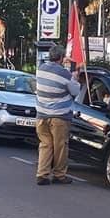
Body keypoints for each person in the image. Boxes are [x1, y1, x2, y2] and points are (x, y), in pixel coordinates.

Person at [35, 45, 81, 185]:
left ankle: (42, 174)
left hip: (41, 115)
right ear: (61, 58)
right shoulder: (64, 74)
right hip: (59, 116)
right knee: (60, 146)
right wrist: (75, 78)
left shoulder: (40, 69)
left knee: (45, 145)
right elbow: (75, 91)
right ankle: (59, 175)